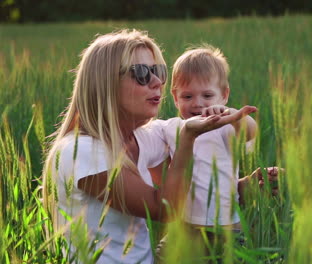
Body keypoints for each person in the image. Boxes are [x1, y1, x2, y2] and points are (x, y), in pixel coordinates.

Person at [41, 29, 257, 264]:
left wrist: (240, 188)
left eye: (159, 72)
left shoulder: (140, 138)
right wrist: (187, 138)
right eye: (142, 73)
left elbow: (185, 187)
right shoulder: (80, 151)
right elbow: (164, 209)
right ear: (106, 82)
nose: (157, 82)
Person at [154, 44, 258, 261]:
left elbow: (250, 131)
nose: (198, 103)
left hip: (227, 228)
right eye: (187, 96)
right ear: (175, 97)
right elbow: (140, 134)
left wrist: (230, 115)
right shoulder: (171, 128)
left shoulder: (225, 128)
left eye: (207, 95)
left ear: (224, 94)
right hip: (185, 227)